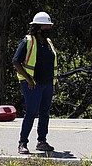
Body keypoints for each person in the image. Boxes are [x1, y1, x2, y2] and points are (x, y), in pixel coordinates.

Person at [12, 11, 58, 154]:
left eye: (49, 27)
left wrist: (55, 81)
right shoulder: (28, 41)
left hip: (47, 83)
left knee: (44, 112)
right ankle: (22, 143)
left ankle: (42, 142)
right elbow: (16, 61)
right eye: (46, 27)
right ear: (38, 28)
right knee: (31, 112)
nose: (48, 30)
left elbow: (52, 63)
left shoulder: (49, 43)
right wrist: (28, 79)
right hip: (32, 84)